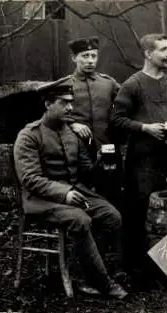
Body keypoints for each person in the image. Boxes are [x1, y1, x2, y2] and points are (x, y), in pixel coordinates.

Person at [13, 79, 128, 299]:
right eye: (63, 103)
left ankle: (85, 274)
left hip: (74, 192)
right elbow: (31, 179)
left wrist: (102, 164)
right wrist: (64, 194)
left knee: (111, 216)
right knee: (80, 219)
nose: (70, 108)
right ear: (48, 104)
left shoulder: (71, 133)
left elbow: (86, 172)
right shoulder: (29, 135)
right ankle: (103, 283)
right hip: (40, 199)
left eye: (71, 103)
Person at [110, 33, 167, 284]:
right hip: (143, 161)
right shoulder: (132, 84)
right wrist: (145, 128)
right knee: (141, 210)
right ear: (147, 54)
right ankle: (139, 269)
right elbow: (117, 120)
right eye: (163, 50)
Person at [64, 36, 124, 210]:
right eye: (85, 56)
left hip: (107, 147)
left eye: (93, 56)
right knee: (83, 193)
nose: (90, 61)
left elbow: (125, 105)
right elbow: (52, 114)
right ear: (74, 58)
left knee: (111, 192)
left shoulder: (108, 83)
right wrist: (72, 124)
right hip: (77, 150)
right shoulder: (66, 84)